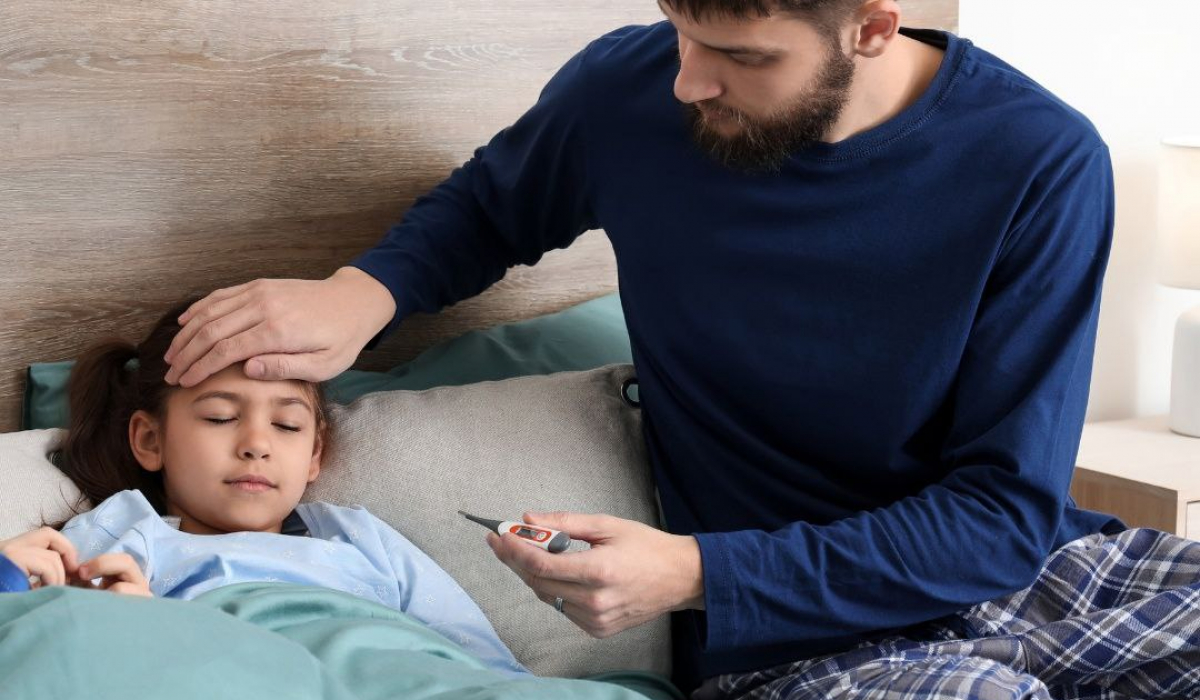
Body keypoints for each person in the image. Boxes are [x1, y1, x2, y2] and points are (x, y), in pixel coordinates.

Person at [158, 1, 1200, 698]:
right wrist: (362, 294)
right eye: (677, 29)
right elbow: (487, 209)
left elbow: (1002, 515)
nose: (688, 82)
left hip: (1021, 574)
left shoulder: (1039, 160)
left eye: (742, 56)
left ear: (872, 27)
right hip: (794, 646)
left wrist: (694, 570)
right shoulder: (627, 90)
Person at [0, 299, 528, 678]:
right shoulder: (130, 532)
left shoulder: (359, 535)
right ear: (149, 439)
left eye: (287, 425)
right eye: (220, 417)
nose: (257, 444)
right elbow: (49, 645)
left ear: (315, 453)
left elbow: (485, 665)